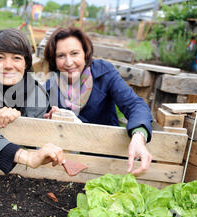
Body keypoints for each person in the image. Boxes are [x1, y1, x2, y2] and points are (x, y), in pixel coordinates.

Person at [43, 27, 153, 175]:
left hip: (108, 161)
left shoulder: (104, 73)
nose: (69, 62)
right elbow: (38, 128)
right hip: (67, 167)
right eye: (61, 56)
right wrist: (52, 121)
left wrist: (139, 136)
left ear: (85, 53)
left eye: (74, 53)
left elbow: (134, 104)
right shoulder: (50, 88)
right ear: (54, 60)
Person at [0, 28, 65, 175]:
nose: (8, 65)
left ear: (26, 64)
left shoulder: (36, 91)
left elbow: (42, 138)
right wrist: (27, 156)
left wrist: (51, 121)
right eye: (0, 57)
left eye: (16, 58)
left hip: (31, 176)